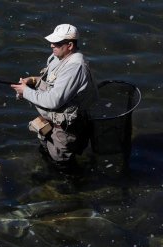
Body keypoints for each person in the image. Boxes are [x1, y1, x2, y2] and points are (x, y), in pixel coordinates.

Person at [11, 24, 98, 167]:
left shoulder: (75, 67)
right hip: (50, 120)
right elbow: (51, 82)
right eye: (52, 42)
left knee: (62, 162)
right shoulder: (57, 56)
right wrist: (33, 81)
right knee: (47, 153)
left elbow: (54, 100)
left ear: (69, 45)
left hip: (65, 128)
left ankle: (72, 184)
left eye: (57, 43)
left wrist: (25, 91)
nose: (52, 45)